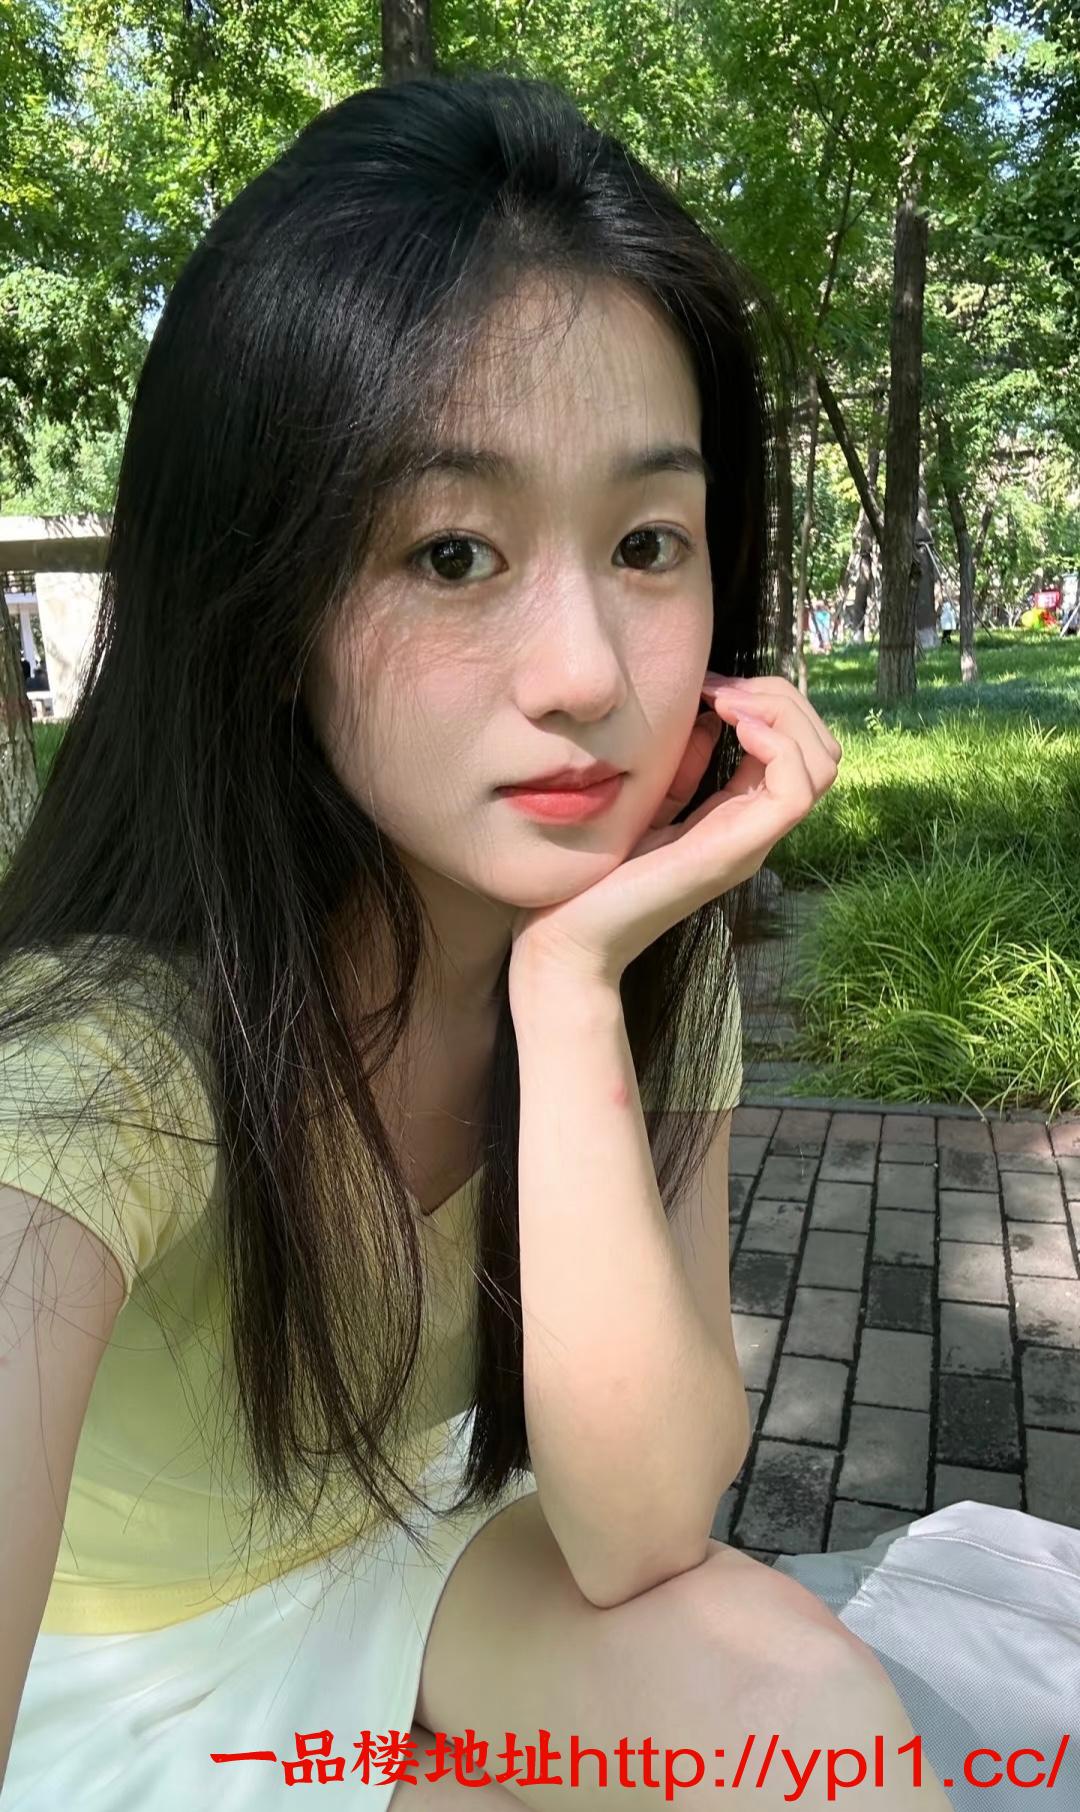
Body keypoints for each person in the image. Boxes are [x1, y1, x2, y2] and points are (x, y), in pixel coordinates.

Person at [1, 71, 1076, 1812]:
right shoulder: (91, 1078)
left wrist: (571, 991)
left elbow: (639, 1527)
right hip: (123, 1680)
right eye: (452, 553)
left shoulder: (644, 966)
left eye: (647, 542)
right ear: (265, 597)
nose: (585, 671)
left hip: (430, 1547)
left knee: (812, 1726)